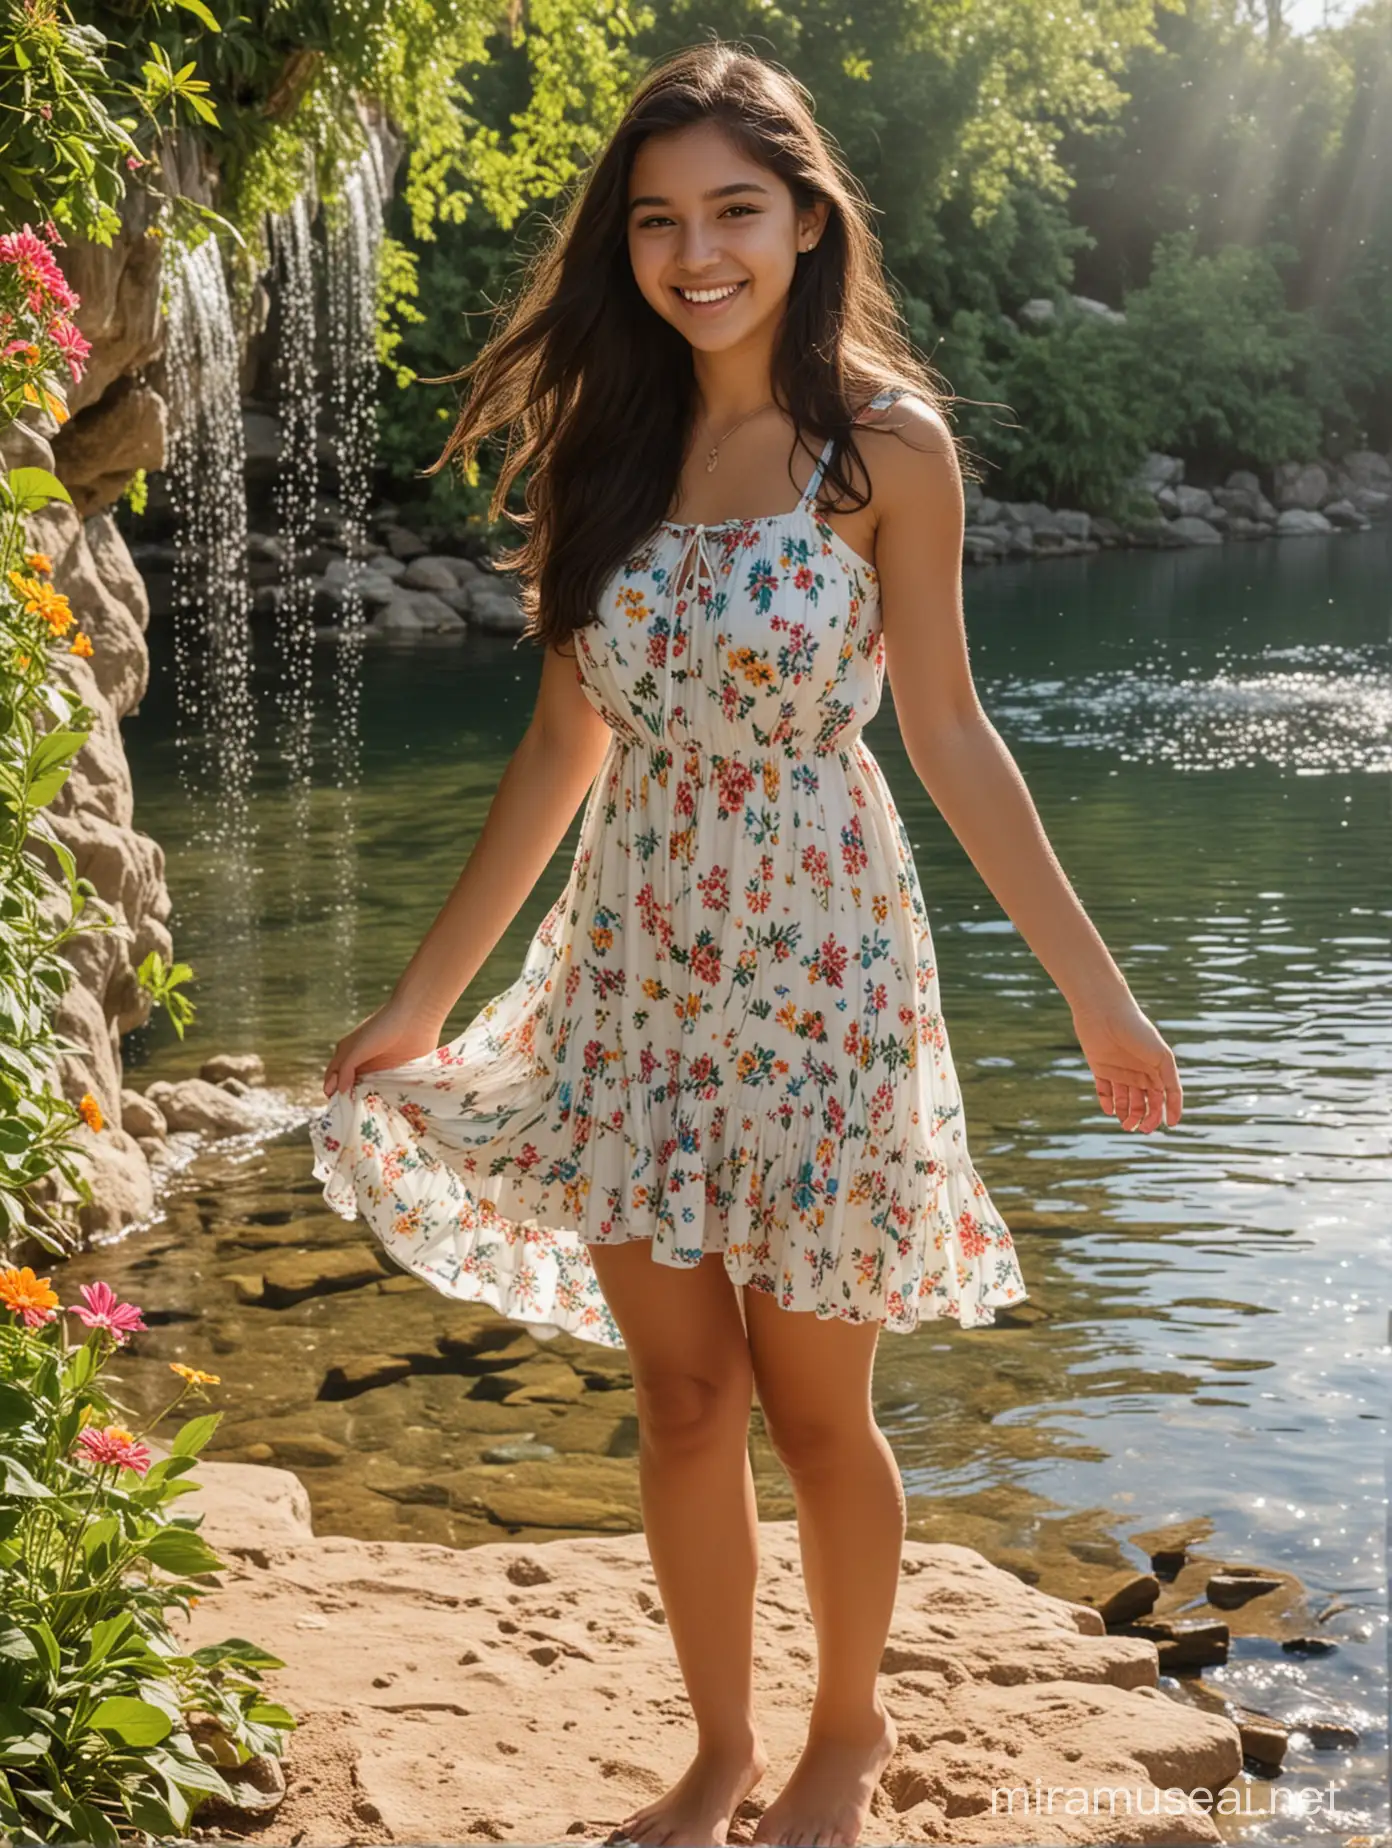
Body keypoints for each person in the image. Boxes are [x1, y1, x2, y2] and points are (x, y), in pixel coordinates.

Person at [310, 39, 1183, 1848]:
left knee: (812, 1403)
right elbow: (563, 748)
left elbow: (948, 734)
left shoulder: (885, 450)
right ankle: (715, 1750)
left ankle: (844, 1735)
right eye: (658, 220)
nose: (696, 252)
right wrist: (421, 1002)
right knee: (684, 1395)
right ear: (626, 245)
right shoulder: (606, 448)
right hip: (632, 965)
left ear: (804, 222)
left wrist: (1098, 991)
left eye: (734, 211)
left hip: (826, 964)